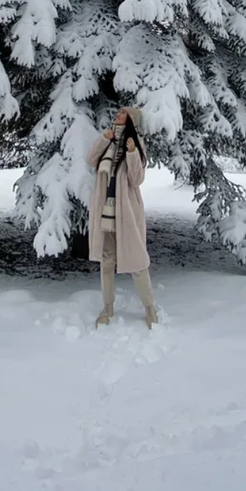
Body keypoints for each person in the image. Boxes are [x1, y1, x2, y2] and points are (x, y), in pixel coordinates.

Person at [87, 106, 158, 330]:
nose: (117, 115)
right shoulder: (108, 139)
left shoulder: (134, 144)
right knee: (107, 261)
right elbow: (91, 161)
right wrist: (103, 139)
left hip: (126, 212)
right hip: (105, 210)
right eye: (118, 113)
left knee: (136, 260)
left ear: (129, 120)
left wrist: (132, 153)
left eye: (122, 114)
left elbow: (137, 179)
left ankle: (150, 308)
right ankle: (108, 307)